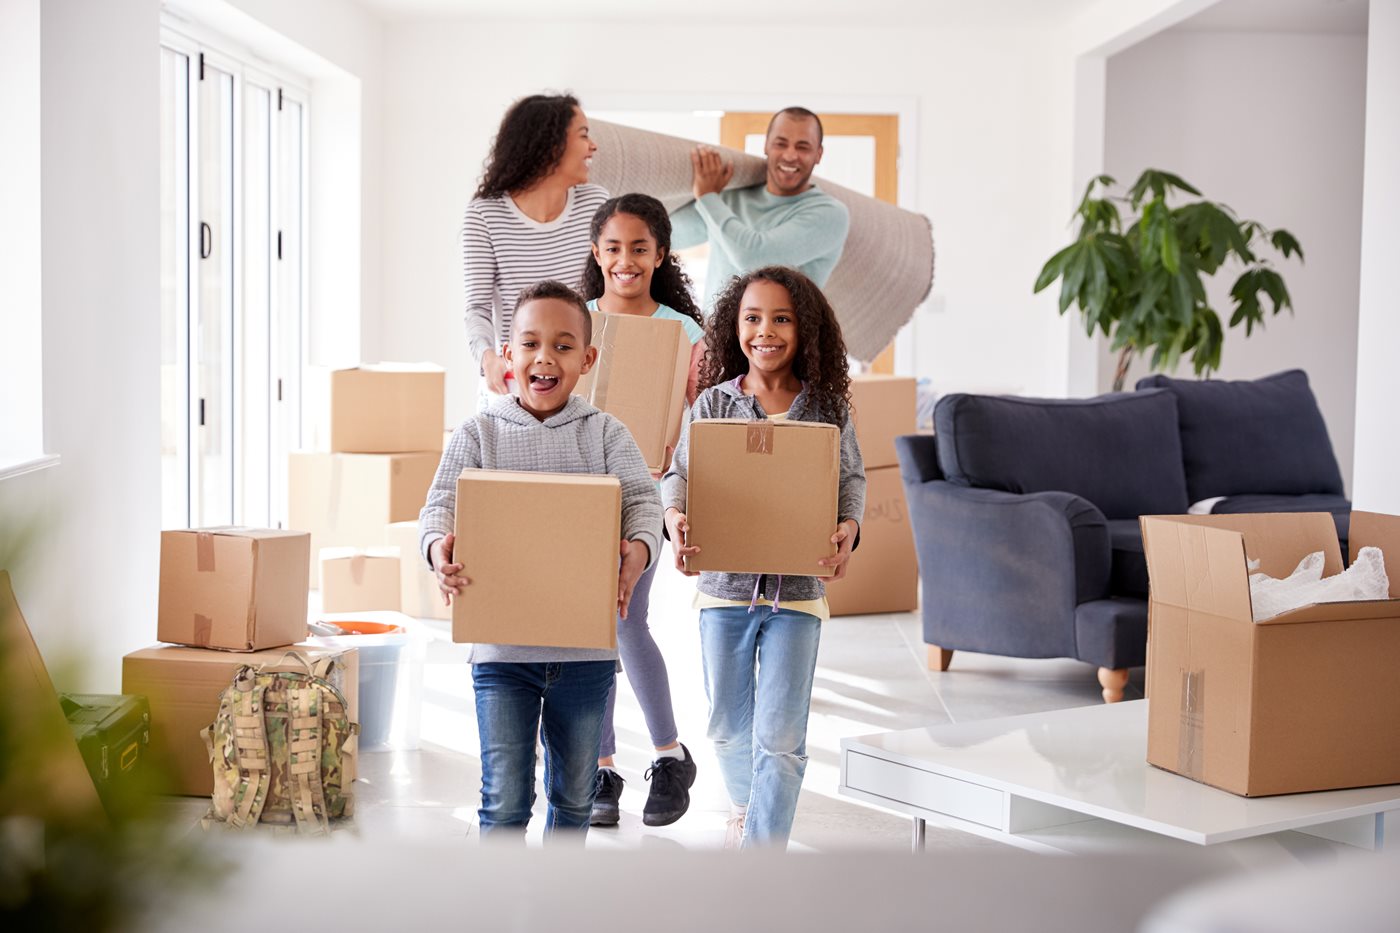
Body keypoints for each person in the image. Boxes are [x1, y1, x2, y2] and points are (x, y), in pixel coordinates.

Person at [419, 281, 661, 842]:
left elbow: (643, 504)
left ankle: (558, 907)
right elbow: (437, 508)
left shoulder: (604, 434)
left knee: (574, 800)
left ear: (587, 359)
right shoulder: (479, 433)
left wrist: (640, 550)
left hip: (585, 657)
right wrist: (439, 550)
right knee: (503, 800)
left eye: (563, 345)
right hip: (502, 655)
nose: (544, 358)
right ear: (508, 355)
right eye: (529, 343)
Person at [660, 266, 866, 850]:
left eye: (782, 318)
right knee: (728, 728)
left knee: (779, 736)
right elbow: (679, 475)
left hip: (798, 593)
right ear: (735, 327)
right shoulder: (713, 404)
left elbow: (850, 479)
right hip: (724, 592)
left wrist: (848, 525)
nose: (765, 331)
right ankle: (747, 809)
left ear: (805, 331)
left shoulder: (825, 408)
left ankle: (761, 856)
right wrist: (675, 518)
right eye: (752, 318)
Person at [578, 193, 705, 827]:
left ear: (660, 255)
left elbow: (703, 424)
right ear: (596, 253)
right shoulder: (574, 321)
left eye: (638, 249)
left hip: (646, 496)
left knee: (625, 620)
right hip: (575, 496)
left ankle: (668, 755)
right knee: (590, 628)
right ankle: (600, 770)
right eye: (613, 248)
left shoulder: (684, 333)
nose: (624, 260)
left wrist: (682, 501)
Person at [462, 94, 608, 409]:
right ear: (551, 144)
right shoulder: (485, 214)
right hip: (513, 384)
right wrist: (489, 359)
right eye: (583, 135)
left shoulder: (596, 204)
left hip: (579, 383)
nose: (593, 146)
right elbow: (477, 308)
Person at [669, 108, 850, 308]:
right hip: (714, 337)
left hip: (776, 338)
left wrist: (707, 196)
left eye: (803, 147)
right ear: (766, 146)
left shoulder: (829, 214)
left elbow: (755, 260)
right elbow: (670, 235)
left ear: (818, 154)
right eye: (781, 144)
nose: (790, 155)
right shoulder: (730, 197)